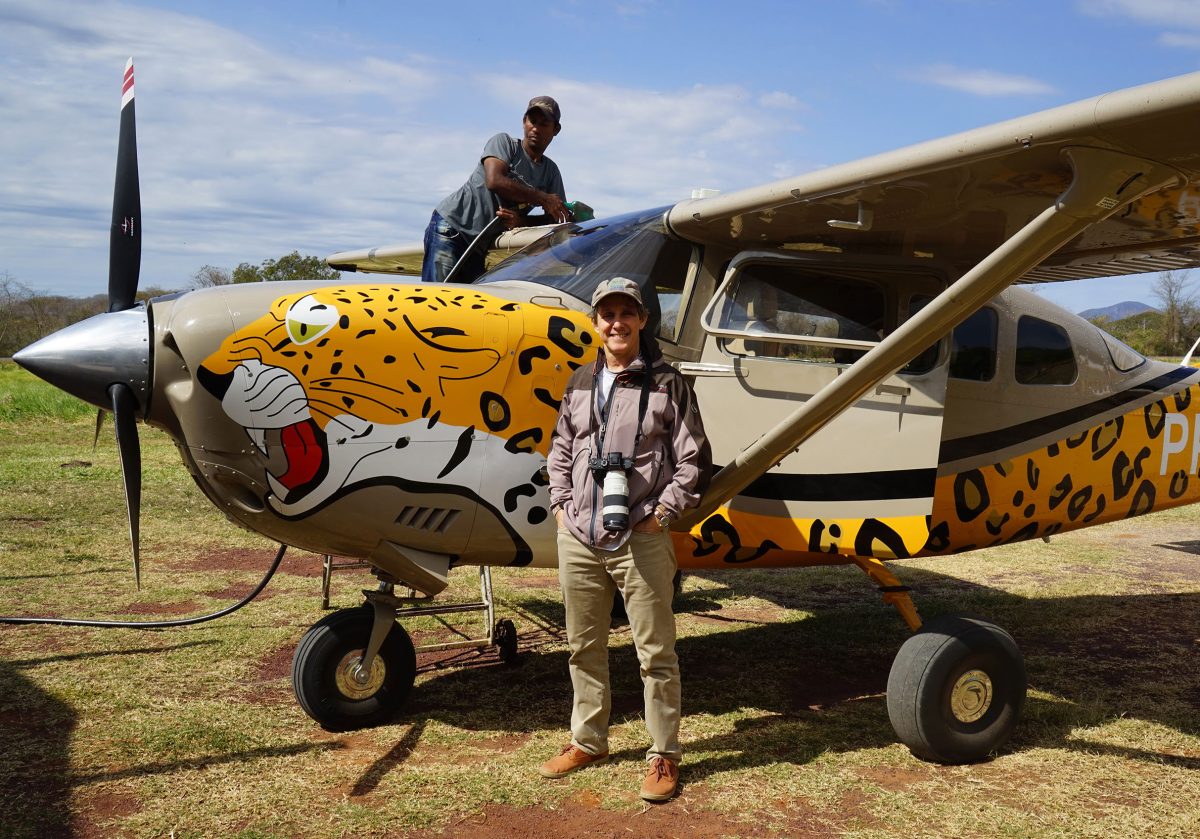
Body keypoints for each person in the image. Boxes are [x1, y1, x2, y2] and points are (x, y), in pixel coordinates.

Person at [541, 276, 711, 802]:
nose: (617, 323)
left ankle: (663, 754)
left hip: (640, 535)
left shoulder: (668, 383)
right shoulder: (580, 382)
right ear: (596, 323)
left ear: (641, 321)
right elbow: (561, 447)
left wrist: (661, 513)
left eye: (627, 314)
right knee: (582, 647)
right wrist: (562, 505)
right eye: (607, 314)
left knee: (655, 652)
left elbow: (695, 460)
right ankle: (589, 740)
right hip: (580, 535)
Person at [421, 96, 572, 283]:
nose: (535, 128)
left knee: (469, 303)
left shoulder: (551, 171)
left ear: (555, 129)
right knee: (438, 300)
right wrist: (543, 198)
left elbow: (556, 219)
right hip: (452, 227)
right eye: (532, 121)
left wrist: (521, 221)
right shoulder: (504, 143)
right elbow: (495, 180)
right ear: (524, 122)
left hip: (479, 244)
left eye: (544, 123)